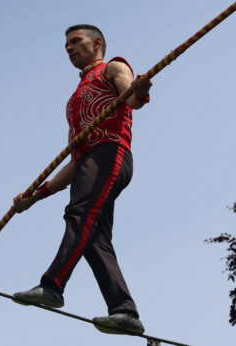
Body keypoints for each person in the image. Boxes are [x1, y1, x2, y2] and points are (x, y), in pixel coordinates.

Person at [12, 24, 152, 335]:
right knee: (93, 239)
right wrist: (35, 196)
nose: (69, 49)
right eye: (66, 45)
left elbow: (131, 98)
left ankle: (53, 285)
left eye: (75, 42)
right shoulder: (75, 100)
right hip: (89, 163)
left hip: (110, 153)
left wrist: (140, 92)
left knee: (79, 214)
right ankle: (124, 311)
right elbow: (75, 163)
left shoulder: (112, 67)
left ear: (96, 43)